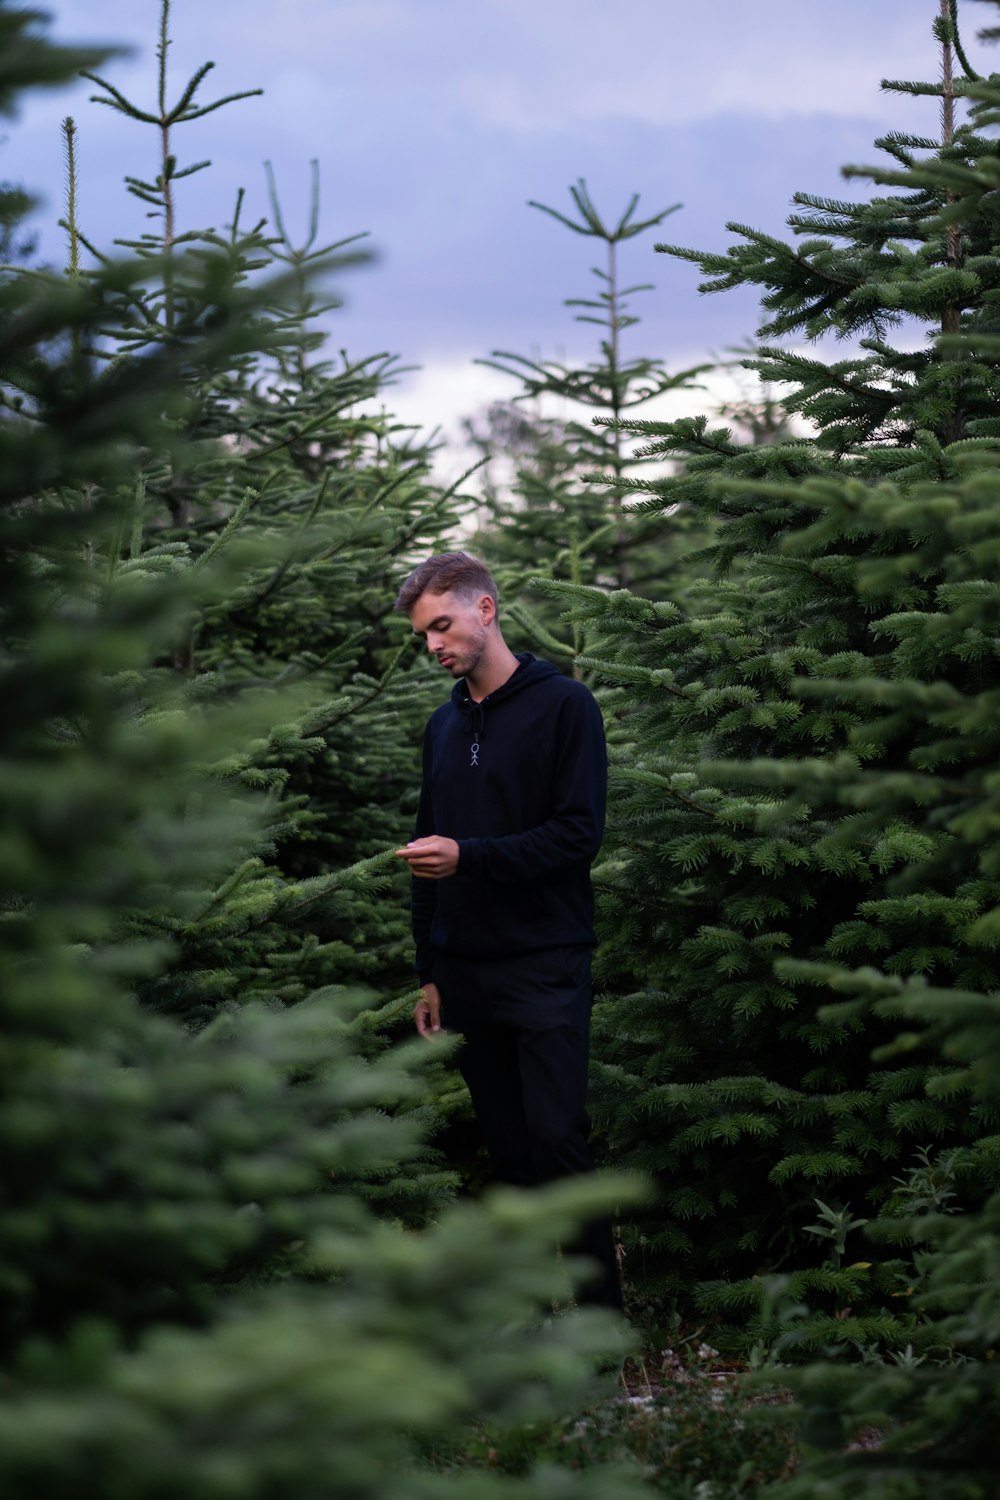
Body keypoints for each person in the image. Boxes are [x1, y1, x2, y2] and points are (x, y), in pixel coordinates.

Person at [393, 551, 622, 1310]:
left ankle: (599, 1329)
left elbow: (576, 837)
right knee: (512, 1157)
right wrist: (430, 968)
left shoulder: (564, 708)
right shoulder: (442, 725)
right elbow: (429, 852)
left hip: (545, 964)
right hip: (465, 974)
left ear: (485, 610)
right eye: (425, 634)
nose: (435, 645)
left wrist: (471, 858)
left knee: (558, 1144)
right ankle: (532, 1337)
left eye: (443, 625)